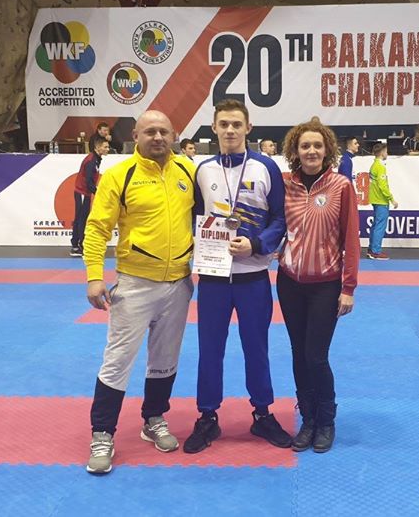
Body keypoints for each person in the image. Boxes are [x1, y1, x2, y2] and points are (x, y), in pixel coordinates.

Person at [82, 110, 196, 474]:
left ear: (174, 135)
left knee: (165, 358)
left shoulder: (189, 171)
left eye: (164, 131)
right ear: (135, 136)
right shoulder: (120, 174)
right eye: (150, 132)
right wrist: (94, 276)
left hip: (179, 282)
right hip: (134, 283)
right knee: (117, 360)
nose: (158, 137)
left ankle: (153, 418)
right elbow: (97, 227)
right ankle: (102, 433)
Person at [186, 98, 292, 454]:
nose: (230, 130)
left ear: (248, 128)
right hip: (213, 280)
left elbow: (280, 218)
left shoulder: (266, 167)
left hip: (253, 278)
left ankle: (262, 414)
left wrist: (257, 244)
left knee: (256, 348)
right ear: (214, 128)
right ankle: (207, 416)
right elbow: (195, 218)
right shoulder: (203, 170)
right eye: (224, 124)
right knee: (209, 350)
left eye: (236, 124)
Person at [277, 119, 360, 453]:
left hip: (325, 284)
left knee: (316, 355)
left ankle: (326, 421)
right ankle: (308, 420)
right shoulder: (285, 185)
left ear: (327, 150)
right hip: (289, 282)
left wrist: (348, 287)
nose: (311, 151)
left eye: (317, 145)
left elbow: (351, 239)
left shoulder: (341, 186)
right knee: (298, 354)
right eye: (305, 146)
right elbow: (272, 224)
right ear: (295, 151)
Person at [70, 138, 110, 257]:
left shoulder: (96, 159)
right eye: (105, 147)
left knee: (81, 218)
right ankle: (79, 246)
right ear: (97, 148)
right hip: (82, 192)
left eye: (108, 147)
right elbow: (88, 182)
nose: (107, 149)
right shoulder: (91, 161)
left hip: (85, 193)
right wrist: (98, 193)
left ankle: (76, 245)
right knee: (81, 219)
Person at [367, 142, 397, 260]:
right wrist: (391, 199)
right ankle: (375, 251)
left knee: (376, 225)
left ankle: (372, 249)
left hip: (375, 199)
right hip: (381, 200)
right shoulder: (380, 166)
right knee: (380, 226)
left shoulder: (374, 165)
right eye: (386, 151)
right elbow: (383, 185)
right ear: (382, 152)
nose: (387, 153)